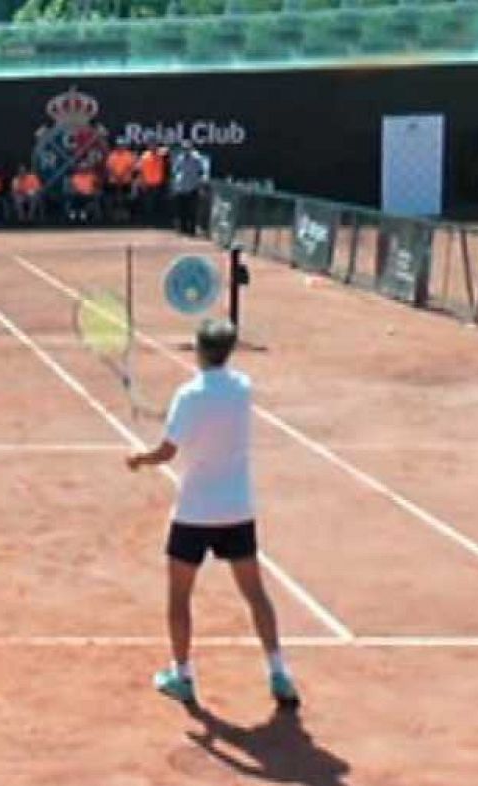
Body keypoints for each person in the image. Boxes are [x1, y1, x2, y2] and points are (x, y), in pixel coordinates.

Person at [125, 318, 300, 710]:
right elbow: (206, 415)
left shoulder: (188, 395)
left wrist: (140, 458)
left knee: (179, 596)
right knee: (256, 594)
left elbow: (169, 451)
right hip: (237, 508)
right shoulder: (242, 389)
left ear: (199, 349)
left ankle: (182, 675)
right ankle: (279, 672)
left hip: (194, 512)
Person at [171, 141, 207, 236]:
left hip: (192, 187)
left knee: (192, 211)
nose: (185, 150)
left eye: (187, 149)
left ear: (191, 149)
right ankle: (182, 229)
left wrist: (201, 185)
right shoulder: (179, 158)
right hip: (180, 188)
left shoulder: (197, 159)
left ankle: (191, 230)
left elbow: (202, 172)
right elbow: (175, 171)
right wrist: (175, 184)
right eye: (184, 149)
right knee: (181, 210)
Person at [105, 140, 137, 223]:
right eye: (119, 145)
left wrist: (123, 175)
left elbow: (131, 167)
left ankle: (127, 216)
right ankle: (114, 217)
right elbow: (109, 168)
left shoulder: (129, 155)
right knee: (114, 200)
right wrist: (116, 176)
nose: (120, 147)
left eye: (122, 145)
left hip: (126, 181)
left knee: (127, 200)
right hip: (114, 181)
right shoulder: (112, 155)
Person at [135, 144, 169, 223]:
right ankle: (148, 220)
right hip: (147, 184)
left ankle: (158, 220)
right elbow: (139, 170)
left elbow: (166, 150)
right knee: (148, 203)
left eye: (154, 145)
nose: (153, 147)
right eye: (151, 145)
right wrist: (141, 182)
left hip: (159, 183)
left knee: (158, 203)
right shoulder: (144, 156)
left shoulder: (161, 154)